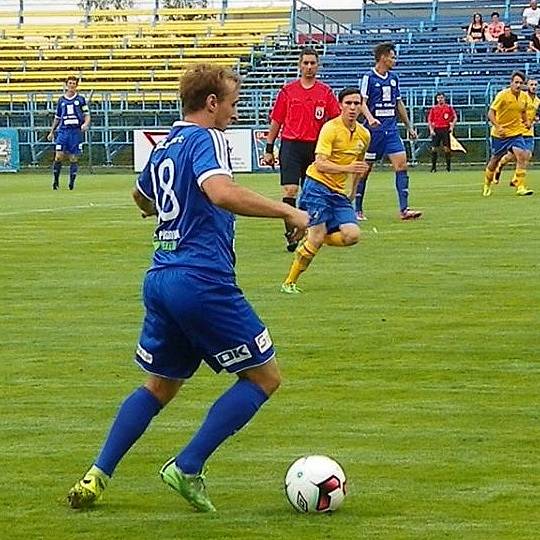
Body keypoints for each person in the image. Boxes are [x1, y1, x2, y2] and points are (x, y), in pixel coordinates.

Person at [66, 64, 308, 512]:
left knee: (159, 386)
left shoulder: (165, 146)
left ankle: (95, 476)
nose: (234, 114)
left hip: (160, 278)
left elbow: (141, 198)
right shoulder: (205, 138)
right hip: (202, 279)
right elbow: (220, 191)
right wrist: (288, 212)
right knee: (264, 377)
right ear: (212, 103)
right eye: (232, 104)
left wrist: (168, 214)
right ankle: (188, 465)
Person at [281, 87, 370, 294]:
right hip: (317, 187)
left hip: (338, 193)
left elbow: (359, 165)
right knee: (316, 238)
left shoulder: (364, 135)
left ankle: (314, 235)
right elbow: (320, 164)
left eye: (357, 103)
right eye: (348, 103)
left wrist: (353, 191)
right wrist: (347, 169)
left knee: (352, 235)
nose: (353, 107)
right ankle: (289, 282)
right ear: (340, 105)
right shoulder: (330, 128)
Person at [263, 47, 341, 252]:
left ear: (318, 65)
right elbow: (276, 120)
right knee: (290, 190)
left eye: (312, 63)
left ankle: (306, 231)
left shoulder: (325, 92)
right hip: (291, 145)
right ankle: (291, 234)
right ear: (300, 65)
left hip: (315, 148)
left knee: (310, 193)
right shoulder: (288, 91)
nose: (309, 67)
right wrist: (269, 148)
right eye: (305, 63)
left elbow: (335, 121)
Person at [355, 42, 422, 221]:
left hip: (390, 130)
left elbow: (398, 104)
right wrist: (369, 119)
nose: (394, 60)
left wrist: (409, 126)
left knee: (402, 165)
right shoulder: (369, 77)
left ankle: (404, 209)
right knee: (365, 170)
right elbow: (361, 102)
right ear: (383, 57)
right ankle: (357, 209)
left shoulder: (394, 78)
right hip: (372, 132)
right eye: (392, 56)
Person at [483, 71, 533, 197]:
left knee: (521, 155)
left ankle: (520, 186)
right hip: (501, 134)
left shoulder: (524, 97)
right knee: (495, 159)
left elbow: (522, 111)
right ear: (511, 83)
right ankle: (487, 184)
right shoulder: (502, 95)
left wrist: (526, 121)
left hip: (516, 132)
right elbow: (491, 113)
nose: (518, 85)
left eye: (521, 83)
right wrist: (498, 126)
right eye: (516, 82)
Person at [494, 78, 538, 195]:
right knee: (517, 156)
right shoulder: (521, 96)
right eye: (531, 85)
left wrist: (534, 119)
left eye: (535, 85)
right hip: (517, 131)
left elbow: (533, 114)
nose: (533, 87)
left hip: (528, 131)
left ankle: (515, 180)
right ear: (526, 86)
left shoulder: (537, 101)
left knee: (526, 156)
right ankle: (501, 167)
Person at [47, 76, 90, 190]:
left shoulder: (80, 100)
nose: (71, 85)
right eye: (70, 83)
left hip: (75, 132)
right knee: (58, 156)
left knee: (73, 158)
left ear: (76, 86)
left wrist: (85, 124)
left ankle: (71, 183)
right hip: (63, 131)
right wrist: (52, 131)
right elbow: (57, 117)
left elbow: (87, 115)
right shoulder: (61, 100)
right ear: (66, 85)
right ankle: (55, 181)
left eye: (74, 83)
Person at [427, 92, 457, 172]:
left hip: (445, 129)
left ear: (444, 98)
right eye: (439, 98)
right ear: (436, 99)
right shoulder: (433, 108)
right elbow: (429, 120)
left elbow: (455, 118)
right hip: (436, 129)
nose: (440, 99)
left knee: (446, 148)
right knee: (434, 149)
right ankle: (433, 167)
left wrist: (452, 126)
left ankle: (448, 167)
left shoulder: (449, 107)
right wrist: (431, 130)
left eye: (442, 98)